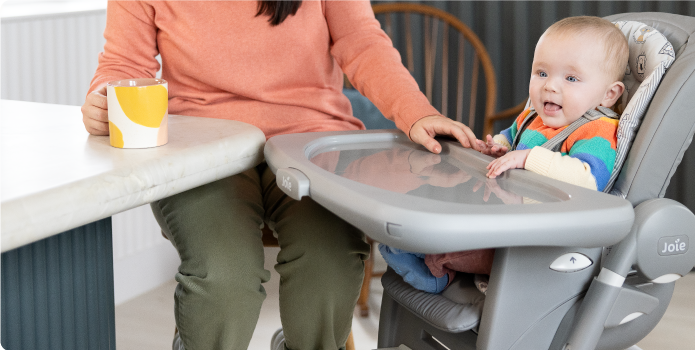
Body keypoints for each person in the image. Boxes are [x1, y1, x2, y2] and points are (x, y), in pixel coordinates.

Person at [80, 0, 481, 349]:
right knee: (224, 273)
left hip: (309, 145)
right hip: (203, 148)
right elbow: (123, 64)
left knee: (331, 261)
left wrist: (416, 112)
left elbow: (361, 41)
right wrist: (103, 100)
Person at [380, 16, 628, 294]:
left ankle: (436, 270)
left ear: (609, 94)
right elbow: (510, 139)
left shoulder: (598, 130)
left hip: (540, 241)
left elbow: (588, 180)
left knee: (457, 247)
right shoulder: (532, 117)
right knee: (441, 215)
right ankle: (421, 244)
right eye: (542, 73)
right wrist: (496, 148)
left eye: (571, 78)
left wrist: (526, 159)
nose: (550, 86)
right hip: (505, 218)